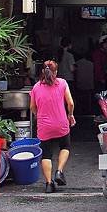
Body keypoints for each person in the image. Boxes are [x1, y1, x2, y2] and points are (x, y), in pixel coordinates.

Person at [29, 60, 76, 193]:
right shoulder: (62, 83)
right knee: (65, 146)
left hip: (44, 126)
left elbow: (32, 107)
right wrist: (70, 115)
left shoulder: (36, 87)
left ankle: (49, 184)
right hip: (61, 123)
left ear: (43, 72)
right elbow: (70, 103)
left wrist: (38, 115)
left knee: (46, 155)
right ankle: (59, 171)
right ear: (56, 72)